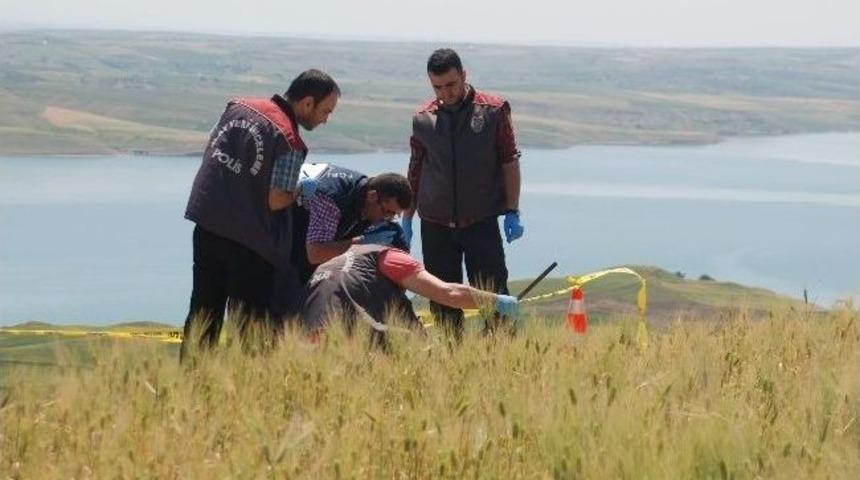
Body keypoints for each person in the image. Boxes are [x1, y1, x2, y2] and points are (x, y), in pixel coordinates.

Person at [181, 69, 339, 358]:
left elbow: (211, 151)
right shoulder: (290, 141)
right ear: (307, 103)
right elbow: (277, 199)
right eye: (325, 111)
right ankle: (249, 388)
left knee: (204, 312)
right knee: (249, 327)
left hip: (208, 226)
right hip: (249, 243)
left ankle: (190, 381)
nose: (325, 119)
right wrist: (301, 189)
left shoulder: (237, 108)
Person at [401, 48, 524, 338]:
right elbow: (416, 169)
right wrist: (407, 218)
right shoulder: (423, 119)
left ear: (464, 76)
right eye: (437, 87)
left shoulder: (493, 110)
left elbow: (509, 160)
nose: (445, 93)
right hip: (435, 225)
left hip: (480, 222)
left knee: (493, 295)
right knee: (442, 301)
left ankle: (502, 355)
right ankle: (451, 360)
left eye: (451, 84)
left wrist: (512, 209)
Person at [299, 244, 520, 343]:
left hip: (306, 338)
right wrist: (497, 301)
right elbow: (448, 293)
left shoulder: (334, 264)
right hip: (345, 336)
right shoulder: (391, 257)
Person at [288, 165, 413, 294]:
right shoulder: (331, 200)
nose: (388, 218)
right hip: (287, 239)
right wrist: (360, 243)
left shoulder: (376, 199)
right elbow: (315, 253)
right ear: (372, 196)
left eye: (395, 214)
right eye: (387, 212)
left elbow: (404, 271)